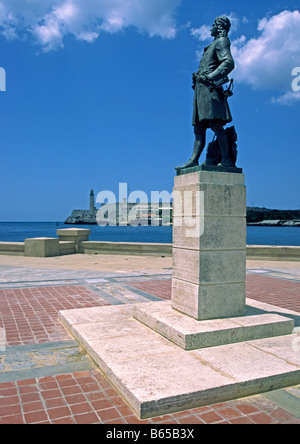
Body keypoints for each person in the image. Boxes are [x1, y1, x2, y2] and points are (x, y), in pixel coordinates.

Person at [177, 16, 235, 170]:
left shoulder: (222, 41)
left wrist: (210, 77)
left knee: (215, 124)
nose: (211, 29)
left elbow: (228, 62)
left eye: (213, 25)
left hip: (210, 90)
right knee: (199, 128)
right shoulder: (211, 45)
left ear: (219, 26)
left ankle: (227, 159)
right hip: (201, 90)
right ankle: (194, 160)